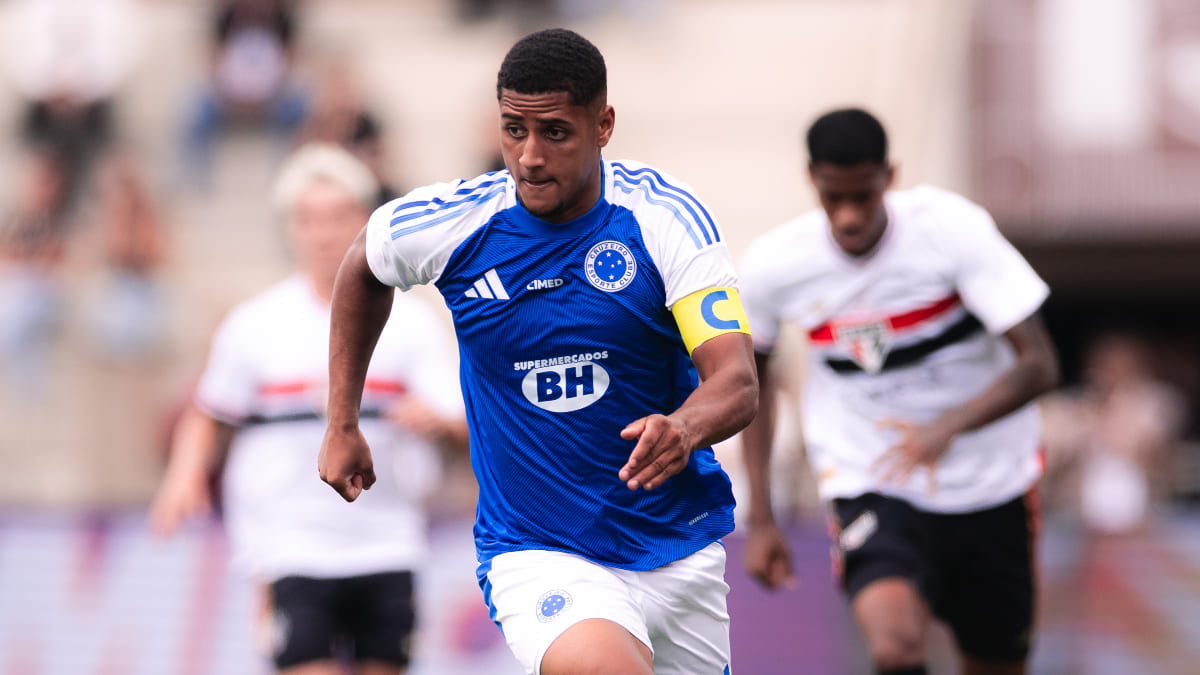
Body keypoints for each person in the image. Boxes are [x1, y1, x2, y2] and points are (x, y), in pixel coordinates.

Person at [319, 28, 758, 675]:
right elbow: (363, 263)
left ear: (603, 124)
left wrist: (685, 425)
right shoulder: (455, 222)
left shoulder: (663, 218)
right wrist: (343, 421)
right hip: (539, 549)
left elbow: (736, 380)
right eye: (512, 129)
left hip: (675, 546)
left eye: (554, 132)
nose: (527, 156)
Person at [739, 108, 1060, 675]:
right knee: (895, 648)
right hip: (874, 475)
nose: (849, 216)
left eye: (863, 196)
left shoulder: (951, 230)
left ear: (890, 175)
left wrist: (947, 427)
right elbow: (753, 380)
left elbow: (1040, 365)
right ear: (811, 178)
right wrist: (762, 517)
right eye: (834, 198)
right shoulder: (776, 264)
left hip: (991, 482)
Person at [149, 143, 467, 675]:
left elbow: (463, 422)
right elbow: (210, 412)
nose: (323, 234)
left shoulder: (412, 324)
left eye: (338, 216)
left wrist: (437, 422)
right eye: (309, 219)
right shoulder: (255, 324)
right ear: (291, 228)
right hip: (289, 545)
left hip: (388, 540)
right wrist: (183, 475)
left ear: (366, 221)